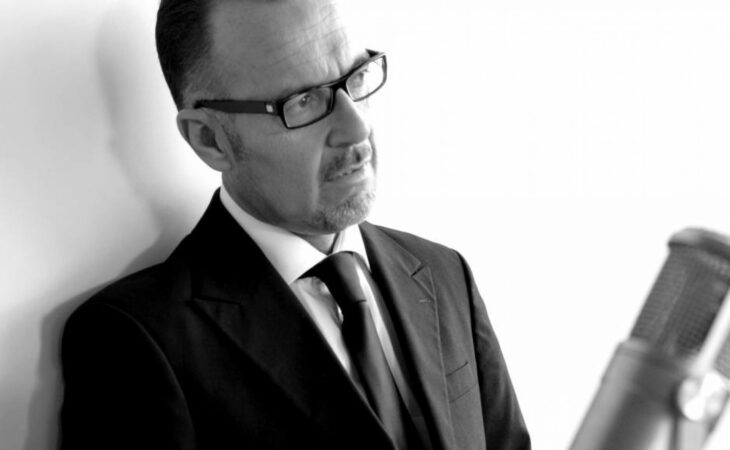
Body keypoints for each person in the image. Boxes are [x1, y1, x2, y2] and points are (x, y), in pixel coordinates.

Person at [59, 0, 531, 449]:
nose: (357, 128)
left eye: (356, 77)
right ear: (210, 139)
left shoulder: (445, 274)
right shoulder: (135, 342)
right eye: (303, 101)